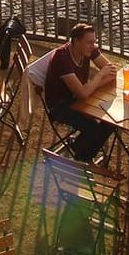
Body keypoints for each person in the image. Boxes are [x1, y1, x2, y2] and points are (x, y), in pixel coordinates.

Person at [44, 22, 116, 163]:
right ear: (76, 41)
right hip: (60, 106)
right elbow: (82, 93)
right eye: (89, 42)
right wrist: (99, 76)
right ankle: (82, 157)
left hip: (79, 99)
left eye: (94, 42)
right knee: (93, 128)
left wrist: (91, 86)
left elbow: (112, 72)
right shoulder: (62, 58)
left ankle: (79, 148)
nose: (93, 46)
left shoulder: (88, 50)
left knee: (111, 121)